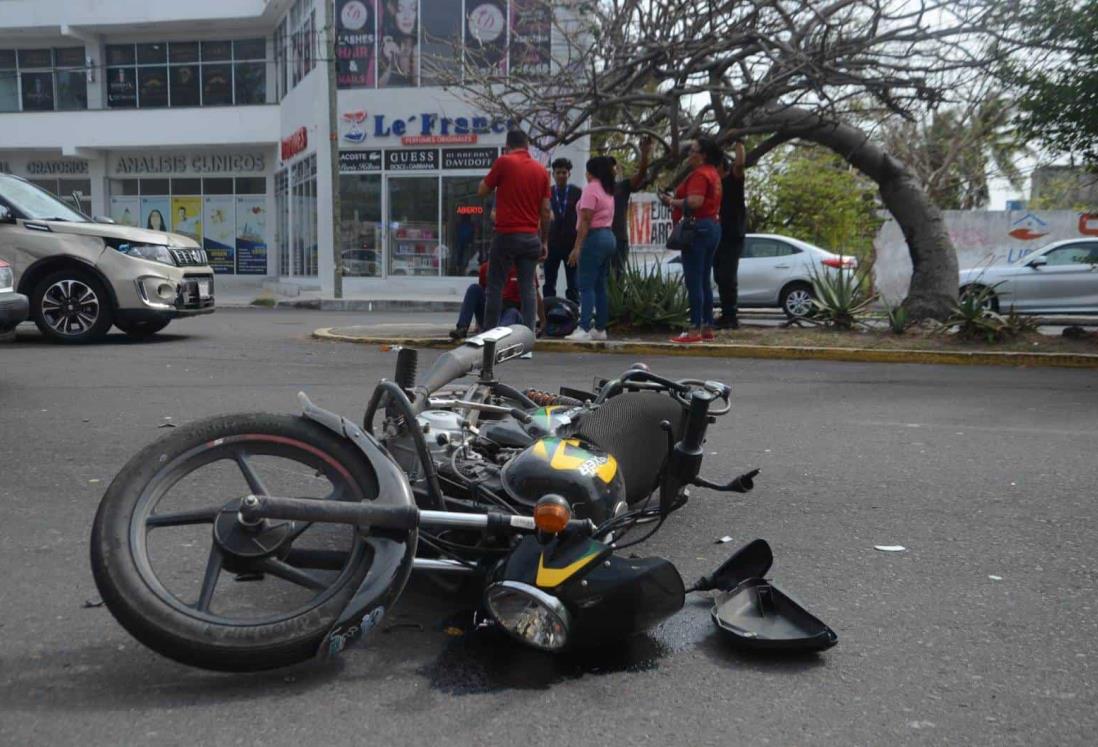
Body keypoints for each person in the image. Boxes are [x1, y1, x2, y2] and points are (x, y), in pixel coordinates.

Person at [477, 129, 551, 340]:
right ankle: (527, 338)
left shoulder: (504, 162)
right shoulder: (541, 171)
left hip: (506, 235)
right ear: (527, 146)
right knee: (527, 287)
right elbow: (546, 210)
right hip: (530, 237)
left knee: (495, 286)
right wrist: (544, 241)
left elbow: (482, 190)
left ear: (507, 145)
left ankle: (488, 337)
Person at [660, 136, 723, 344]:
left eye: (693, 150)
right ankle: (706, 326)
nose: (689, 153)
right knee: (704, 279)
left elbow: (696, 201)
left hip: (698, 228)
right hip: (712, 226)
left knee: (694, 280)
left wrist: (671, 201)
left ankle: (694, 328)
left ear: (703, 155)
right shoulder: (714, 174)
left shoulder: (700, 174)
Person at [564, 156, 617, 341]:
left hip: (594, 237)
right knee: (600, 285)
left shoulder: (591, 189)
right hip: (609, 237)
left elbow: (586, 220)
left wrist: (577, 247)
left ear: (592, 172)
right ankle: (600, 328)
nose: (585, 174)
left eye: (587, 170)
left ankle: (584, 328)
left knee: (585, 285)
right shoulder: (608, 189)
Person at [609, 135, 653, 275]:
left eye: (613, 167)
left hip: (619, 239)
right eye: (608, 167)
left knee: (618, 276)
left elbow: (641, 174)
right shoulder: (594, 190)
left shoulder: (622, 186)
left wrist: (644, 154)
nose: (612, 170)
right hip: (601, 240)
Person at [714, 140, 746, 329]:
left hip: (733, 234)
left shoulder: (733, 180)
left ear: (720, 167)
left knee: (727, 276)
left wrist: (739, 142)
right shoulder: (714, 186)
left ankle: (731, 317)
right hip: (719, 234)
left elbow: (740, 164)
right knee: (719, 276)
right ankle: (726, 314)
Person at [450, 261, 523, 340]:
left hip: (510, 312)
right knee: (474, 288)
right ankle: (462, 328)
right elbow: (481, 295)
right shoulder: (486, 267)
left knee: (512, 312)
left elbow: (531, 298)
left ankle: (498, 335)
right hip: (491, 312)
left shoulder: (522, 268)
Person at [544, 157, 582, 303]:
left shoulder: (577, 192)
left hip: (571, 247)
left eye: (564, 172)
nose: (561, 175)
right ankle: (548, 315)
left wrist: (578, 247)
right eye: (558, 172)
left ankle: (573, 316)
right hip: (551, 245)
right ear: (553, 174)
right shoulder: (547, 193)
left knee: (573, 285)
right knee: (549, 284)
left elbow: (583, 219)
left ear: (569, 174)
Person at [379, 0, 418, 87]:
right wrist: (389, 61)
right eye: (400, 9)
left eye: (413, 8)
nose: (406, 16)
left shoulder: (423, 48)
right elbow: (376, 89)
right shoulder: (388, 47)